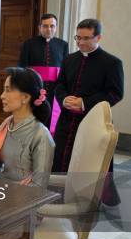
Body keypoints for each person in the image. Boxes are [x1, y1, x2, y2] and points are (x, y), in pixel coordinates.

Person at [52, 19, 124, 173]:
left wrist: (84, 102)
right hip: (66, 121)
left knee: (88, 167)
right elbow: (59, 86)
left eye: (85, 38)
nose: (80, 42)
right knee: (60, 160)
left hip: (94, 121)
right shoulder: (69, 59)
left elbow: (115, 93)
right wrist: (64, 99)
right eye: (78, 37)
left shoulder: (112, 63)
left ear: (98, 38)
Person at [0, 67, 54, 188]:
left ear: (25, 98)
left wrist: (6, 189)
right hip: (1, 192)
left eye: (7, 90)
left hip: (25, 200)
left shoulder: (41, 135)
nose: (2, 96)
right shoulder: (6, 126)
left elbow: (39, 185)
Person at [18, 13, 69, 131]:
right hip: (34, 88)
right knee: (33, 119)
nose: (49, 29)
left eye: (52, 26)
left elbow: (65, 69)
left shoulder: (63, 45)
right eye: (45, 26)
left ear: (56, 27)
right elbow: (22, 67)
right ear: (39, 27)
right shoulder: (29, 44)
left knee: (52, 120)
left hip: (54, 90)